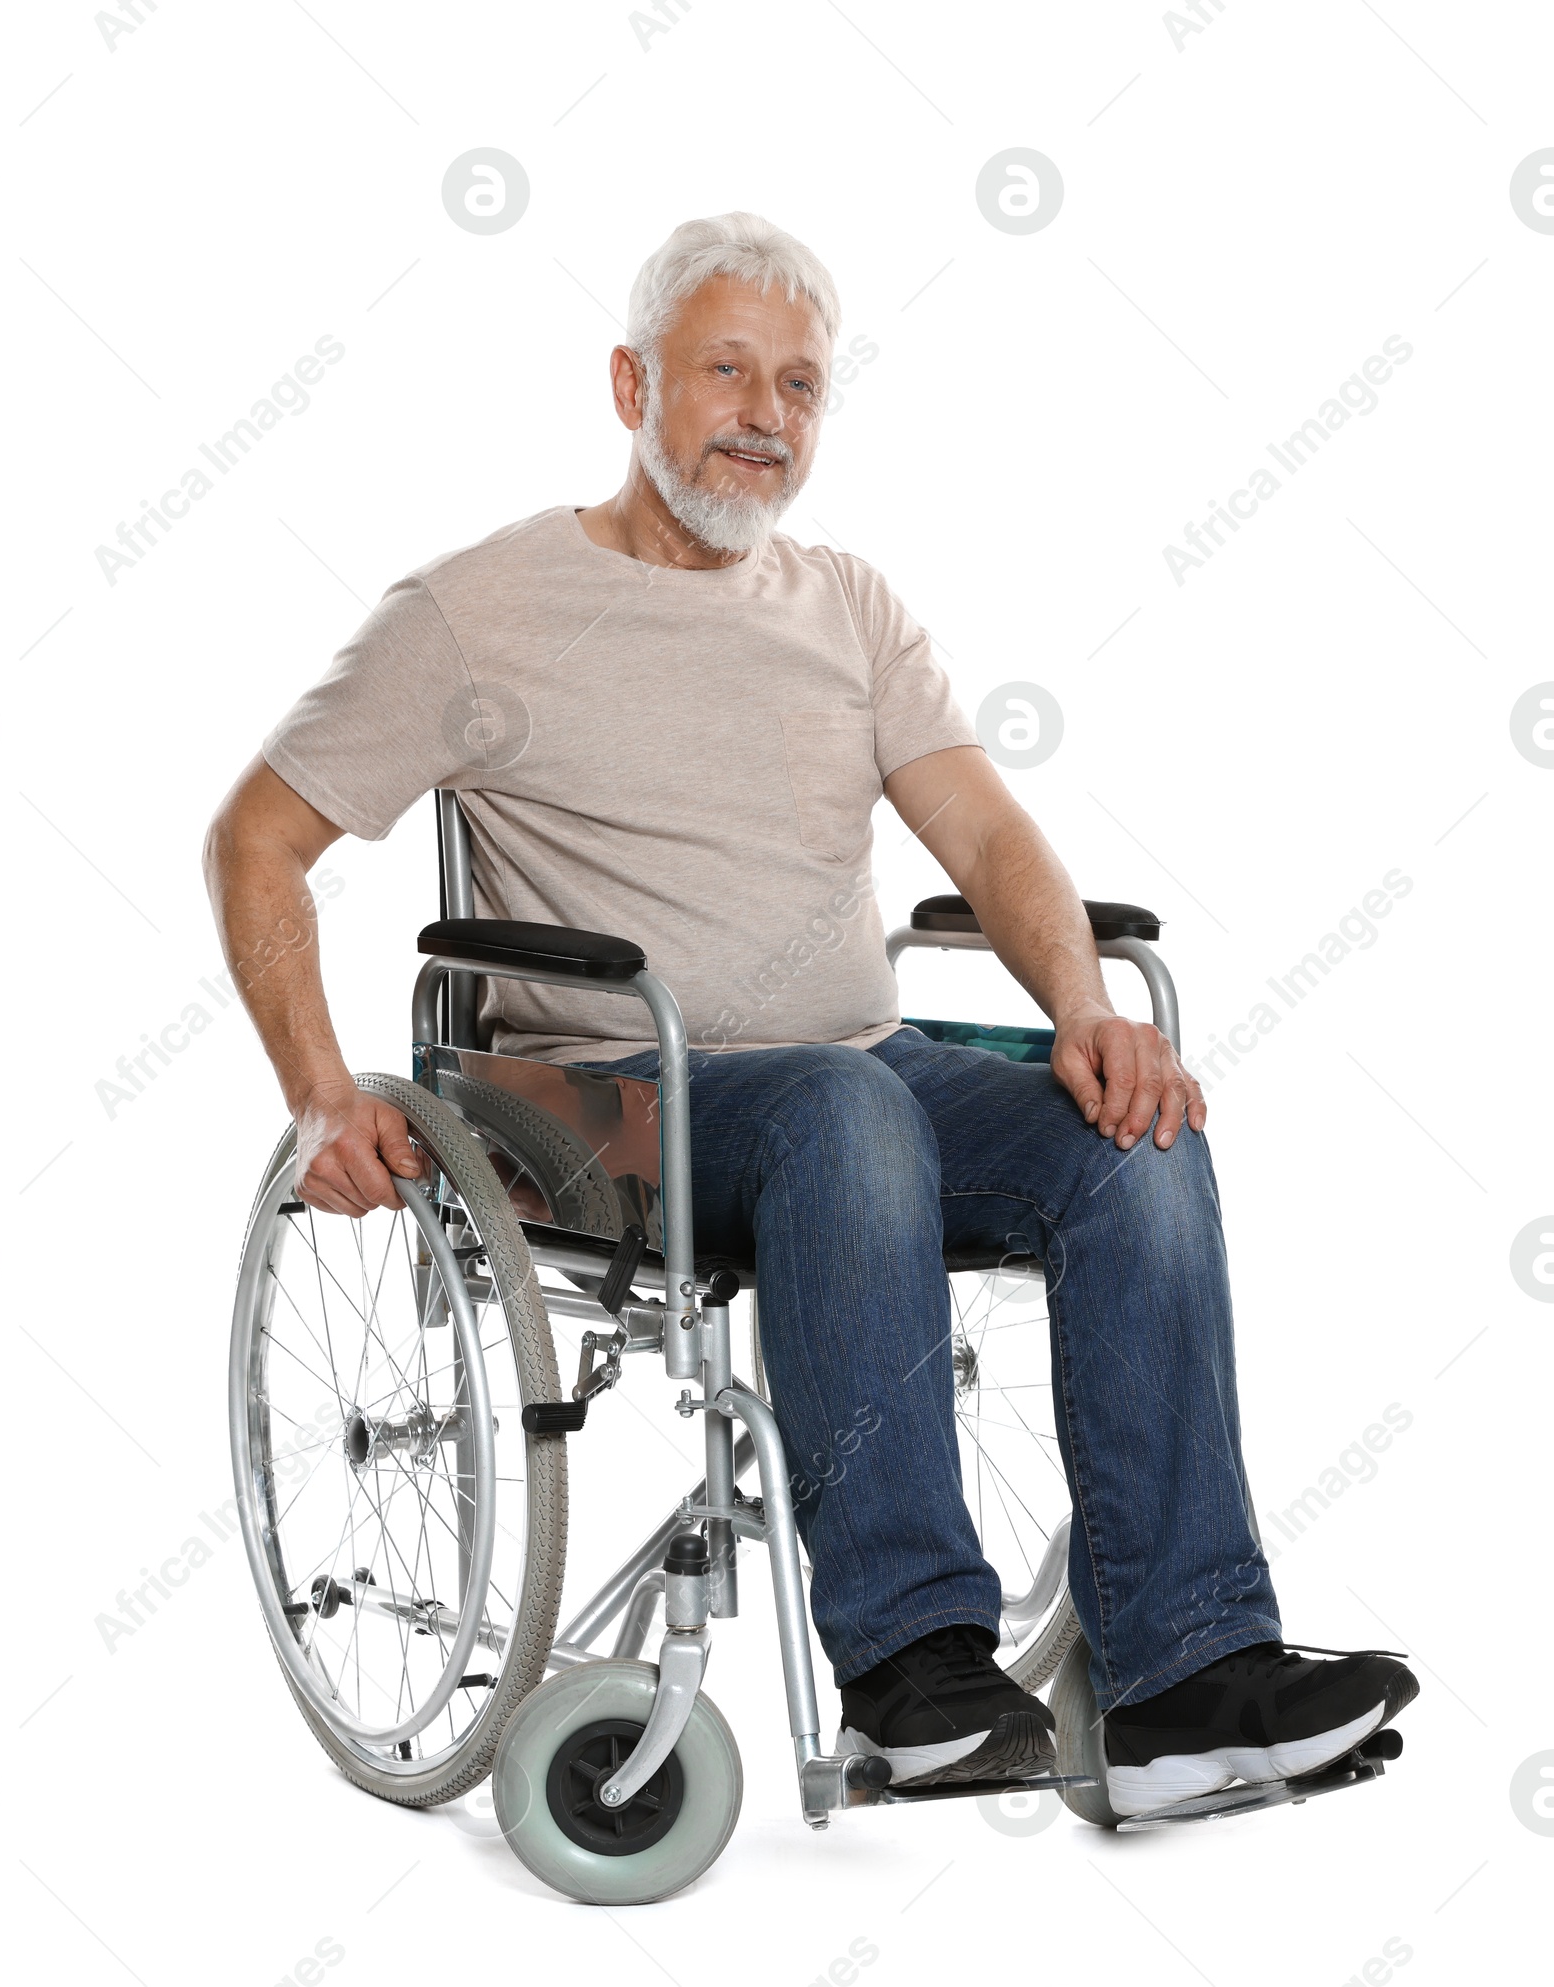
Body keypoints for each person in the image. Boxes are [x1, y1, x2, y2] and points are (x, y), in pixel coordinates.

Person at [204, 212, 1416, 1812]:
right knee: (852, 1116)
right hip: (598, 1101)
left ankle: (1182, 1678)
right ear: (631, 379)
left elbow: (983, 836)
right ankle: (914, 1669)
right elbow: (257, 842)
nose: (766, 413)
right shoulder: (473, 610)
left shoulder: (848, 604)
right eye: (725, 370)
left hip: (855, 1065)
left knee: (1135, 1128)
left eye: (800, 384)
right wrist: (314, 1092)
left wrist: (1086, 1007)